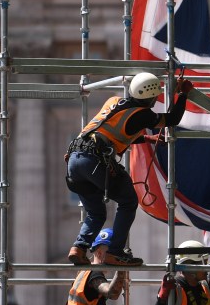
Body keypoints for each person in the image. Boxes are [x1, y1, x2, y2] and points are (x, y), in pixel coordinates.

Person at [64, 72, 193, 266]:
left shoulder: (113, 101)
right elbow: (172, 118)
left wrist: (146, 138)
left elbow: (117, 131)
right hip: (95, 160)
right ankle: (114, 252)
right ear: (149, 98)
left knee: (96, 212)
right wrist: (183, 94)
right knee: (128, 201)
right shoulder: (143, 114)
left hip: (75, 160)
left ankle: (79, 247)